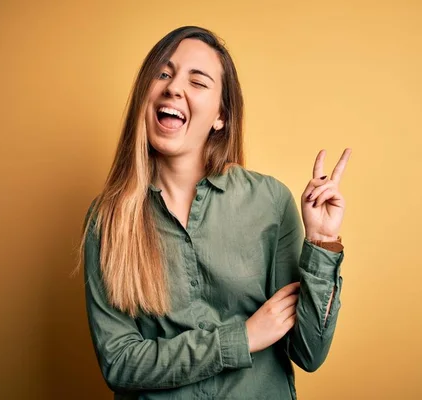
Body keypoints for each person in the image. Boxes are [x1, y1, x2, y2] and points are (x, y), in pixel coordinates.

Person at [78, 25, 351, 400]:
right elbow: (120, 363)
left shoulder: (269, 202)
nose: (174, 87)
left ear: (220, 116)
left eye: (198, 81)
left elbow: (309, 353)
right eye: (163, 73)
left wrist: (321, 243)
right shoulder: (107, 220)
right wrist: (242, 339)